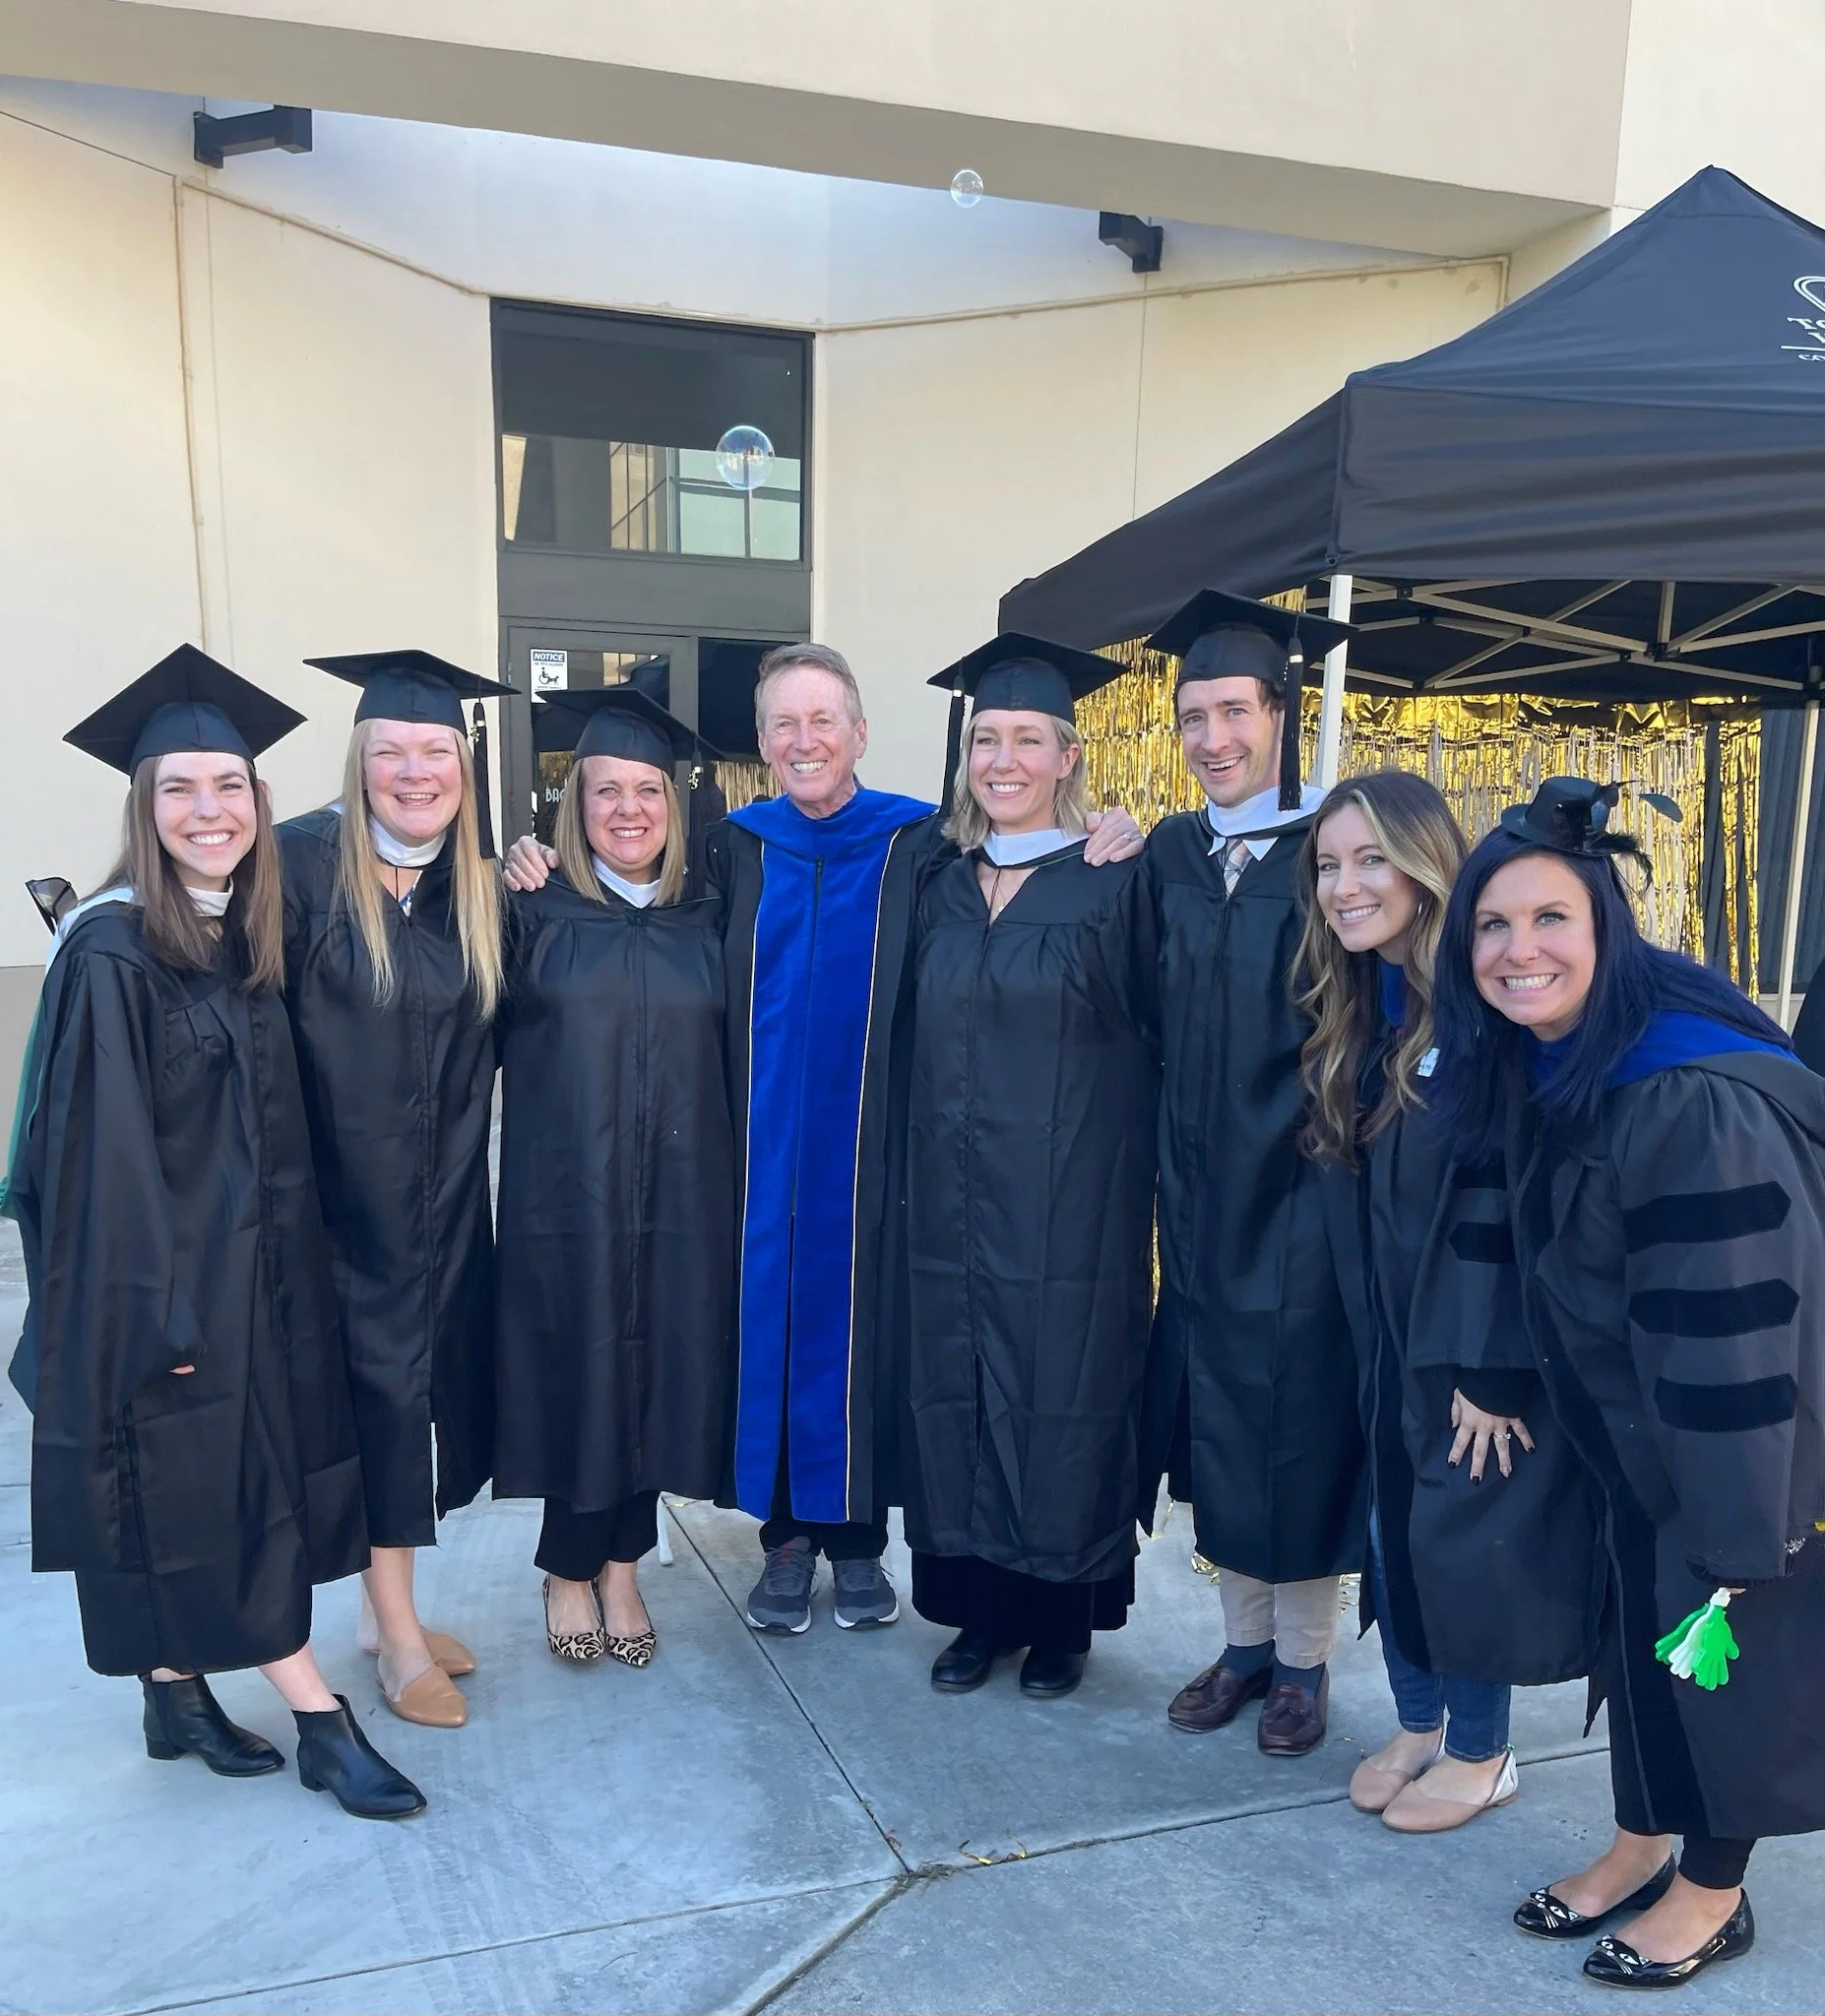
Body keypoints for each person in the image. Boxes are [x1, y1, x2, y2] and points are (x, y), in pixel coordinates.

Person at [504, 643, 1143, 1636]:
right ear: (762, 743)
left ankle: (857, 1541)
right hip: (749, 1155)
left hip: (876, 1154)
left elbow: (1017, 886)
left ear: (859, 733)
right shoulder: (733, 846)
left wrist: (1106, 826)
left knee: (868, 1336)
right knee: (769, 1331)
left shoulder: (919, 844)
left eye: (823, 720)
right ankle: (786, 1539)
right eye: (783, 724)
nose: (804, 741)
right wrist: (532, 856)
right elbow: (640, 913)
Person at [3, 647, 422, 1820]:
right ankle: (322, 1721)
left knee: (196, 1496)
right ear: (142, 806)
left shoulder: (240, 932)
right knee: (222, 1499)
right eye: (179, 788)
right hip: (172, 1294)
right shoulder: (111, 950)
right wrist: (155, 1315)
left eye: (229, 786)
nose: (208, 810)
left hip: (263, 1278)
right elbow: (96, 1166)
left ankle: (171, 1692)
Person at [1430, 776, 1825, 1989]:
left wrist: (1734, 1520)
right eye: (1493, 926)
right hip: (1634, 1439)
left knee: (1716, 1644)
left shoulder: (1687, 1094)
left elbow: (1735, 1335)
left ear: (1604, 923)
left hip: (1733, 1443)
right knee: (1638, 1639)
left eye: (1551, 919)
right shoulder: (1559, 1056)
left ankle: (1713, 1888)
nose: (1519, 950)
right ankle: (1639, 1837)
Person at [1297, 770, 1600, 1833]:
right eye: (1329, 864)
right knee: (1394, 1532)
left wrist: (1494, 1363)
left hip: (1471, 1347)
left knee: (1465, 1537)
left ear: (1428, 864)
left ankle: (1483, 1749)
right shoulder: (1372, 1003)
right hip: (1394, 1330)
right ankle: (1420, 1720)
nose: (1345, 885)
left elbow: (1514, 1202)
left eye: (1371, 857)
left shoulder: (1486, 1015)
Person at [904, 638, 1159, 1699]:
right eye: (986, 740)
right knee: (958, 1388)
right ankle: (979, 1614)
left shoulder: (1117, 877)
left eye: (1026, 740)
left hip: (1070, 1206)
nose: (1003, 758)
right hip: (948, 1204)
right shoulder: (933, 879)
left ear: (1068, 755)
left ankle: (1060, 1617)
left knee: (1062, 1392)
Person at [1138, 590, 1366, 1758]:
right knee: (1221, 1421)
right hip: (1200, 1193)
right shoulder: (1171, 852)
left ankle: (1304, 1665)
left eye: (1233, 709)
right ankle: (1240, 1648)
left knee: (1304, 1424)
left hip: (1306, 1193)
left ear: (1279, 713)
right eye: (1193, 715)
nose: (1212, 736)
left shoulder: (1333, 851)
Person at [280, 649, 514, 1730]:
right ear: (359, 759)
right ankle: (395, 1633)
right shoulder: (293, 871)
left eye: (437, 752)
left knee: (420, 1404)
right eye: (393, 752)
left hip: (447, 1206)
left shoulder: (475, 888)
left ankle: (385, 1616)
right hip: (337, 1212)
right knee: (376, 1408)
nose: (416, 771)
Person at [493, 689, 734, 1666]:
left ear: (674, 806)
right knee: (574, 1372)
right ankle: (565, 1565)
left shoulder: (706, 913)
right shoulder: (528, 905)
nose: (629, 808)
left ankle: (624, 1564)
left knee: (656, 1377)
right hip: (568, 1196)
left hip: (682, 1193)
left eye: (648, 789)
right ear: (572, 801)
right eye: (607, 790)